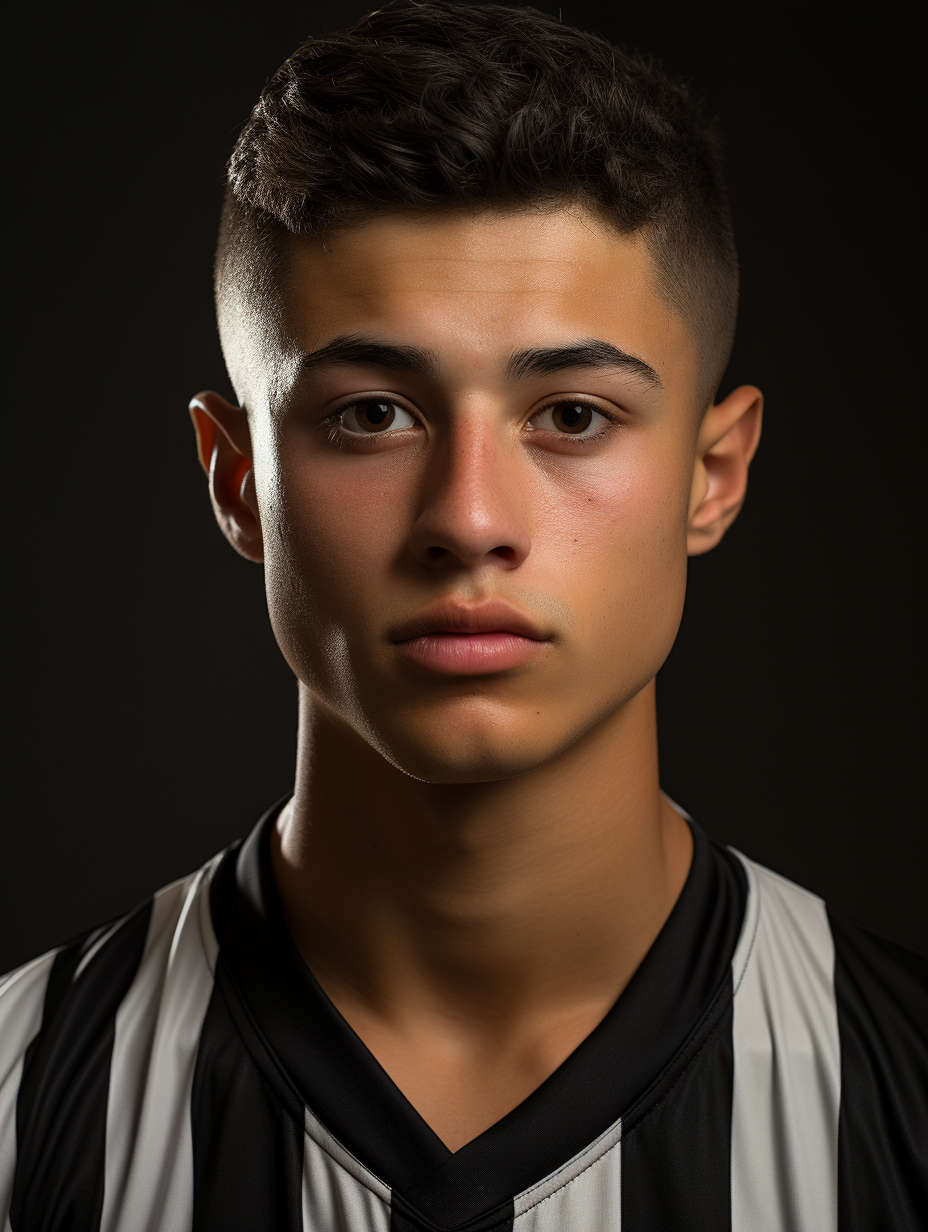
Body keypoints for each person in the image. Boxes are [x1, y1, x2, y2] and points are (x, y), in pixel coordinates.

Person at [1, 2, 924, 1229]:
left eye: (573, 414)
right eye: (372, 414)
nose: (470, 517)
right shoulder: (21, 1110)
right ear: (238, 482)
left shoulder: (903, 1100)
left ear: (714, 473)